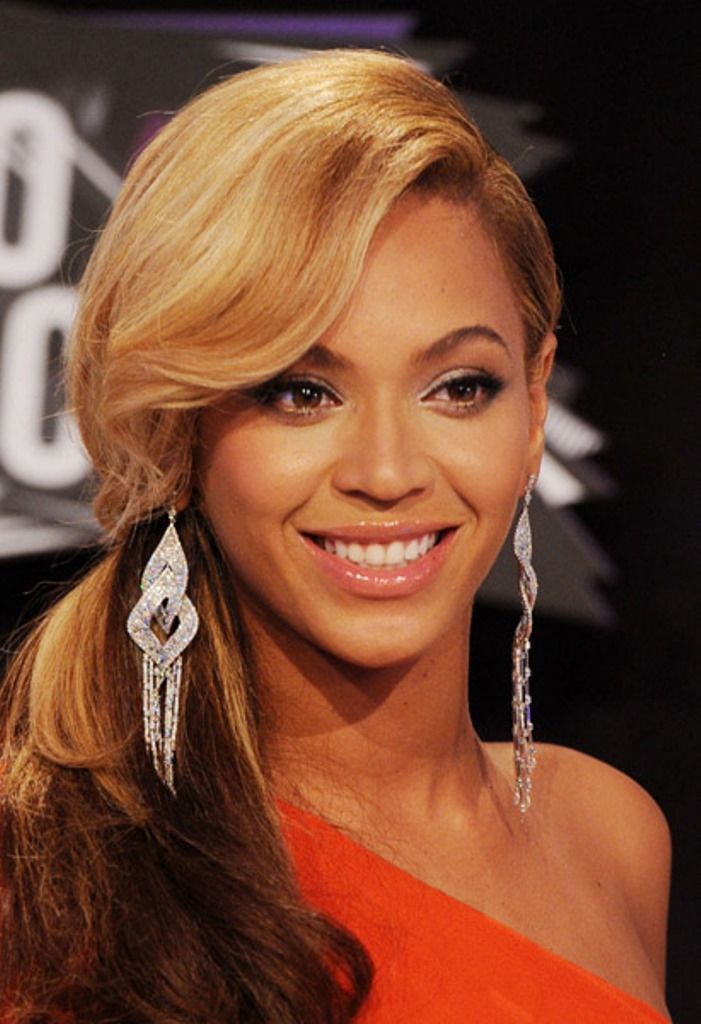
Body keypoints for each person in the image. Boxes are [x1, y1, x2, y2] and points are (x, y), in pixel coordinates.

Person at [0, 50, 671, 1023]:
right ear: (179, 429)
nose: (387, 471)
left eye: (458, 387)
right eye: (301, 392)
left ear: (532, 407)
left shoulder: (612, 837)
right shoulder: (47, 882)